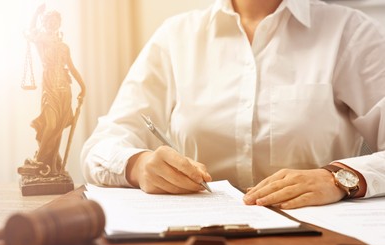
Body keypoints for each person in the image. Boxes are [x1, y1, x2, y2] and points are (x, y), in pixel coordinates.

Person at [81, 0, 385, 209]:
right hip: (199, 242)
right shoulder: (177, 36)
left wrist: (339, 178)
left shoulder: (351, 32)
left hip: (319, 242)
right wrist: (138, 165)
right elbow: (100, 148)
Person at [23, 4, 86, 175]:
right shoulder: (42, 41)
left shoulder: (64, 47)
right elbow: (30, 31)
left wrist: (83, 86)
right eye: (49, 21)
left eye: (55, 21)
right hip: (49, 87)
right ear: (45, 23)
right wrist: (36, 12)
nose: (52, 24)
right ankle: (40, 162)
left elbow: (72, 68)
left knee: (57, 129)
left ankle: (52, 165)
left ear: (59, 24)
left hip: (64, 90)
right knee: (50, 125)